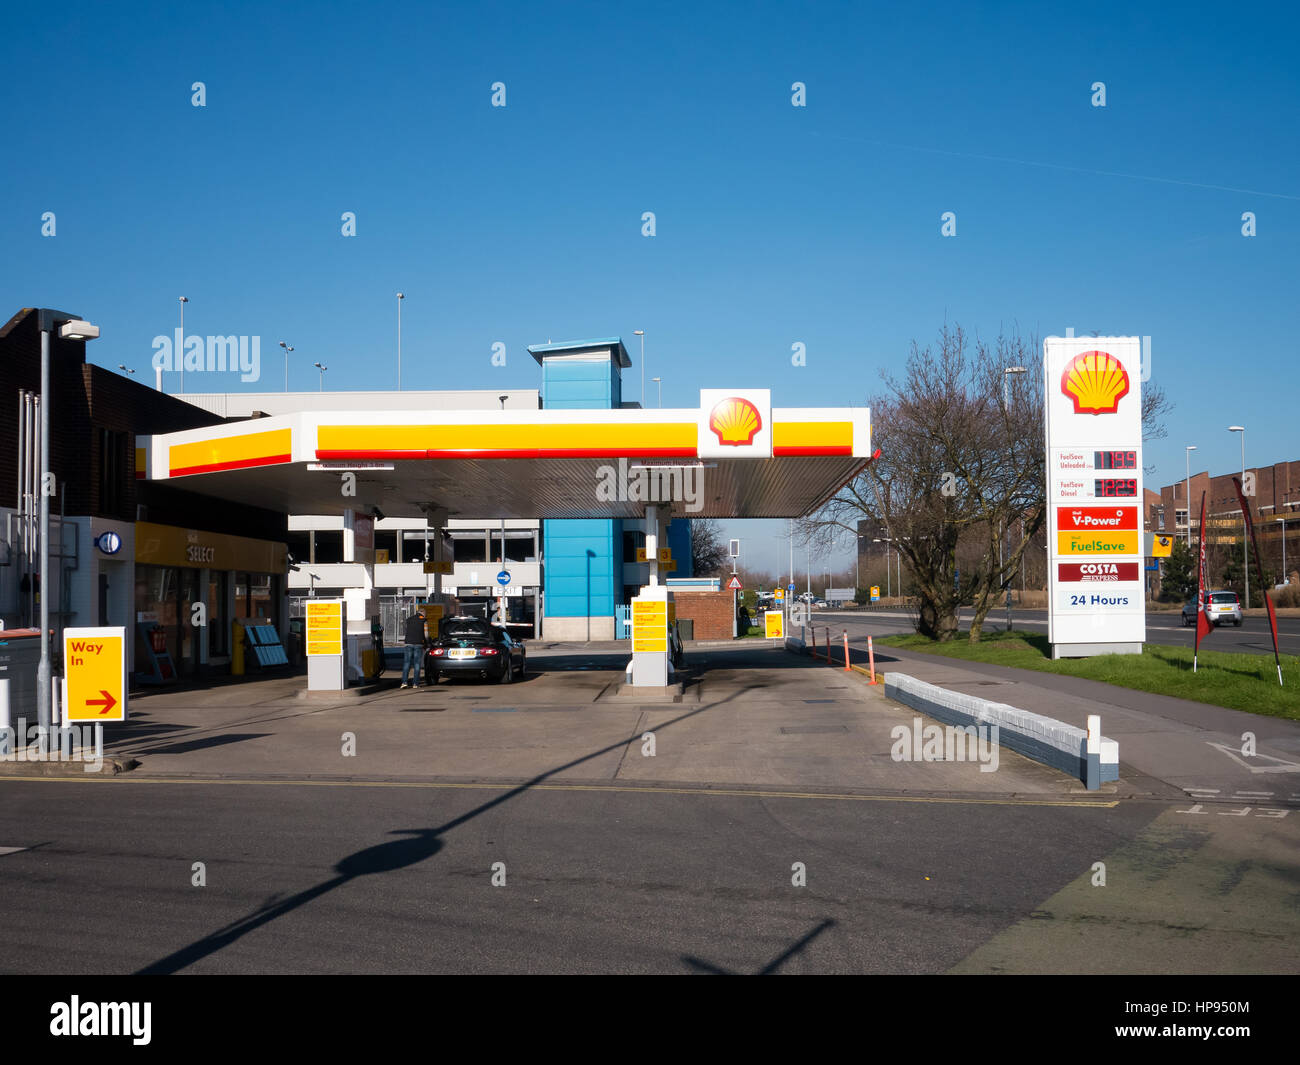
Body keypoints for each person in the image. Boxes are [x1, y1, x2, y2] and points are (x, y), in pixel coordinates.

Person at [400, 607, 428, 688]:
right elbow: (426, 635)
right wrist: (426, 643)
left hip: (408, 643)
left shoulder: (409, 619)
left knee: (406, 663)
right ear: (423, 613)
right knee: (417, 664)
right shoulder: (424, 620)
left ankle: (404, 683)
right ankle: (415, 684)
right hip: (418, 643)